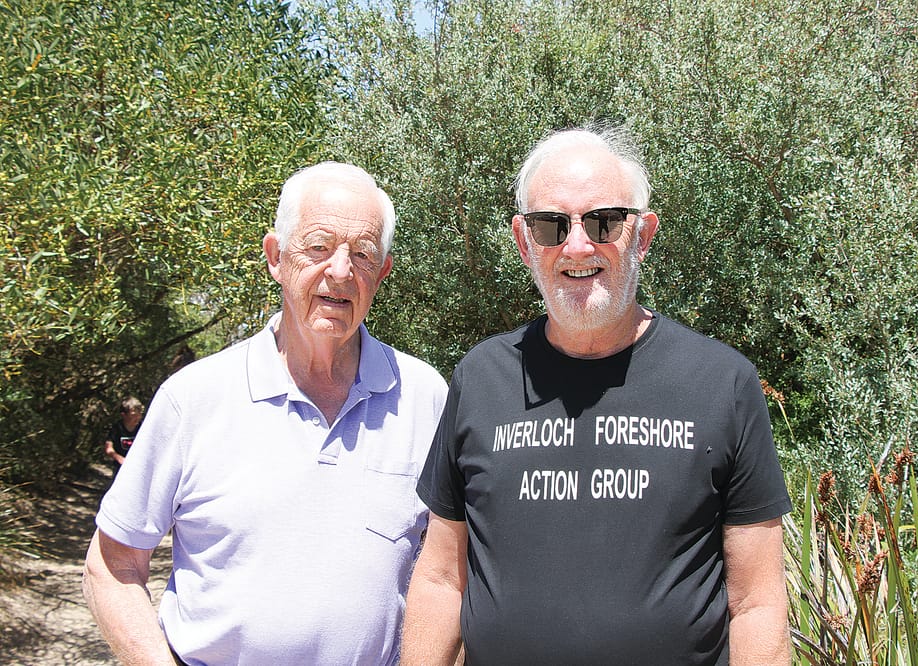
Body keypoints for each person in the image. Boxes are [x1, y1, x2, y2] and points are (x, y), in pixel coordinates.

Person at [401, 126, 792, 665]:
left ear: (643, 234)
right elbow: (443, 578)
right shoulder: (480, 378)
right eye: (551, 225)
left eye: (604, 221)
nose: (578, 245)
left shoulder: (721, 383)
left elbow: (756, 602)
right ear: (524, 242)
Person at [82, 162, 448, 664]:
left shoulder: (425, 396)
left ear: (381, 274)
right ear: (276, 257)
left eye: (361, 254)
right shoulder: (193, 398)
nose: (339, 271)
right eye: (318, 247)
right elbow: (112, 566)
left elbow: (451, 571)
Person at [103, 396, 144, 474]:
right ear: (124, 415)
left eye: (139, 414)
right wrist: (119, 458)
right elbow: (108, 448)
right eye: (133, 415)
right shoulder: (117, 428)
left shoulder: (143, 428)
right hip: (120, 469)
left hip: (139, 469)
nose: (138, 418)